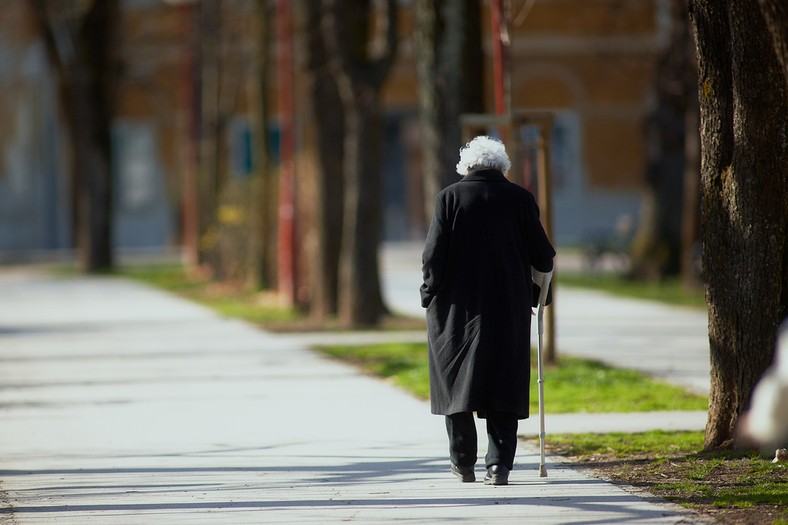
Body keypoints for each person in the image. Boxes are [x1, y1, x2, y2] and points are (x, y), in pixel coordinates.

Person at [420, 135, 556, 485]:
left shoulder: (448, 198)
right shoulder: (521, 199)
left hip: (455, 311)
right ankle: (499, 466)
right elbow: (544, 256)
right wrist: (538, 297)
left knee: (456, 384)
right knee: (503, 383)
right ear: (502, 167)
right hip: (506, 307)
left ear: (466, 167)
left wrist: (428, 293)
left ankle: (463, 462)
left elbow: (433, 257)